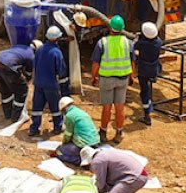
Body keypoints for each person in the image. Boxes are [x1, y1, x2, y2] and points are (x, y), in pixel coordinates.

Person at [90, 15, 134, 143]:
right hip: (122, 79)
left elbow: (95, 64)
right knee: (120, 108)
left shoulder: (102, 42)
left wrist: (93, 77)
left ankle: (103, 132)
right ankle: (119, 133)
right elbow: (132, 62)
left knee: (107, 107)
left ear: (110, 27)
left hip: (106, 79)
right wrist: (132, 76)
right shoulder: (128, 43)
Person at [30, 26, 68, 136]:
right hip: (51, 84)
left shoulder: (40, 49)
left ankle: (34, 129)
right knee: (55, 107)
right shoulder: (56, 52)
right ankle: (57, 127)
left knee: (37, 106)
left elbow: (35, 65)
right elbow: (61, 70)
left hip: (38, 83)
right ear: (57, 39)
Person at [0, 41, 35, 121]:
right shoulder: (32, 56)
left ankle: (7, 114)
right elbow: (28, 74)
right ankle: (16, 118)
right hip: (8, 66)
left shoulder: (20, 46)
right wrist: (24, 81)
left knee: (5, 90)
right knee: (22, 91)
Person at [56, 96, 100, 166]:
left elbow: (68, 134)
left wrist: (63, 144)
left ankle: (80, 160)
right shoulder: (81, 112)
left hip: (84, 145)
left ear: (63, 109)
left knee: (59, 152)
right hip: (95, 143)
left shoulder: (69, 116)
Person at [133, 22, 162, 126]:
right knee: (148, 89)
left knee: (144, 92)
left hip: (144, 71)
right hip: (154, 70)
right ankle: (149, 107)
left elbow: (134, 46)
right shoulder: (158, 42)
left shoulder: (141, 43)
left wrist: (137, 38)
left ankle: (147, 116)